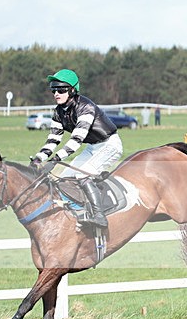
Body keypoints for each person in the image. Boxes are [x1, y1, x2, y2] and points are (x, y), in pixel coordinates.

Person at [30, 69, 123, 228]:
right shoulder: (58, 111)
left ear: (73, 90)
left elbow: (76, 140)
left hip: (109, 145)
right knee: (64, 179)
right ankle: (77, 212)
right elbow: (53, 139)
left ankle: (99, 216)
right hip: (92, 147)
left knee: (81, 174)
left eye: (61, 90)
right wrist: (38, 159)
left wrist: (55, 160)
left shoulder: (85, 107)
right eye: (53, 90)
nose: (56, 94)